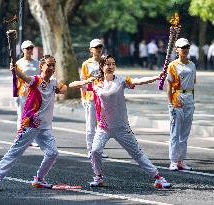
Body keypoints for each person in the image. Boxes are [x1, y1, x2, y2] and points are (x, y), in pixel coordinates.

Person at [69, 54, 171, 189]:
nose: (111, 67)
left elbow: (138, 81)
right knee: (95, 151)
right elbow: (71, 85)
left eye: (113, 64)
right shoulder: (96, 84)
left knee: (137, 154)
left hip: (121, 127)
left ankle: (158, 178)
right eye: (108, 64)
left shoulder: (121, 81)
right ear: (102, 67)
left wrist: (157, 77)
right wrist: (88, 80)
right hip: (103, 127)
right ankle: (98, 177)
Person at [0, 55, 67, 191]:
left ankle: (39, 179)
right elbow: (24, 77)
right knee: (15, 152)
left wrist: (63, 87)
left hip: (45, 127)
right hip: (30, 124)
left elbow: (64, 89)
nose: (51, 67)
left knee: (53, 153)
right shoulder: (35, 80)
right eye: (48, 65)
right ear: (41, 66)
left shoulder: (54, 83)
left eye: (53, 65)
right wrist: (15, 69)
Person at [166, 38, 196, 171]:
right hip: (177, 97)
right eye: (182, 47)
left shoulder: (192, 65)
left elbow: (193, 82)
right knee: (175, 132)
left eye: (187, 47)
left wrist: (192, 100)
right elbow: (169, 86)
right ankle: (173, 160)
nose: (185, 49)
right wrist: (170, 104)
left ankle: (181, 160)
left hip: (189, 97)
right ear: (176, 49)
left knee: (185, 133)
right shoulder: (172, 65)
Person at [80, 39, 108, 159]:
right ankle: (90, 150)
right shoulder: (86, 64)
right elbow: (83, 82)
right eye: (96, 47)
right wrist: (83, 98)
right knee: (91, 126)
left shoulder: (105, 62)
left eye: (100, 47)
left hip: (103, 97)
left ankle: (99, 150)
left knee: (102, 126)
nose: (98, 49)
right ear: (91, 49)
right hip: (91, 98)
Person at [15, 40, 40, 147]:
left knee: (33, 116)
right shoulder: (18, 63)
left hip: (34, 93)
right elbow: (14, 80)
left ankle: (31, 139)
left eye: (31, 48)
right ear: (23, 50)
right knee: (22, 115)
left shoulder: (37, 63)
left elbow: (40, 78)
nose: (30, 50)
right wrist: (15, 95)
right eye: (27, 48)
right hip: (22, 92)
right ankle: (21, 136)